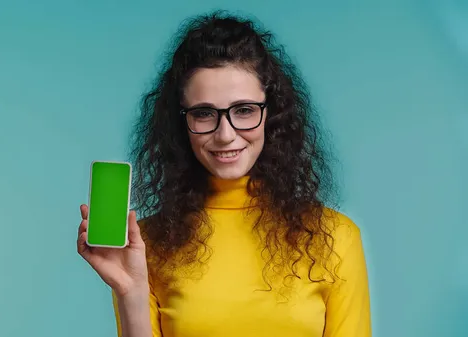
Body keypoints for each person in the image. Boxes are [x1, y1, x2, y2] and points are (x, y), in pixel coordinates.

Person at [77, 11, 371, 337]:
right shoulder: (145, 244)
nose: (225, 135)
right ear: (181, 123)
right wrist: (129, 293)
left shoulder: (335, 238)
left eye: (243, 110)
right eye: (204, 114)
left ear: (271, 113)